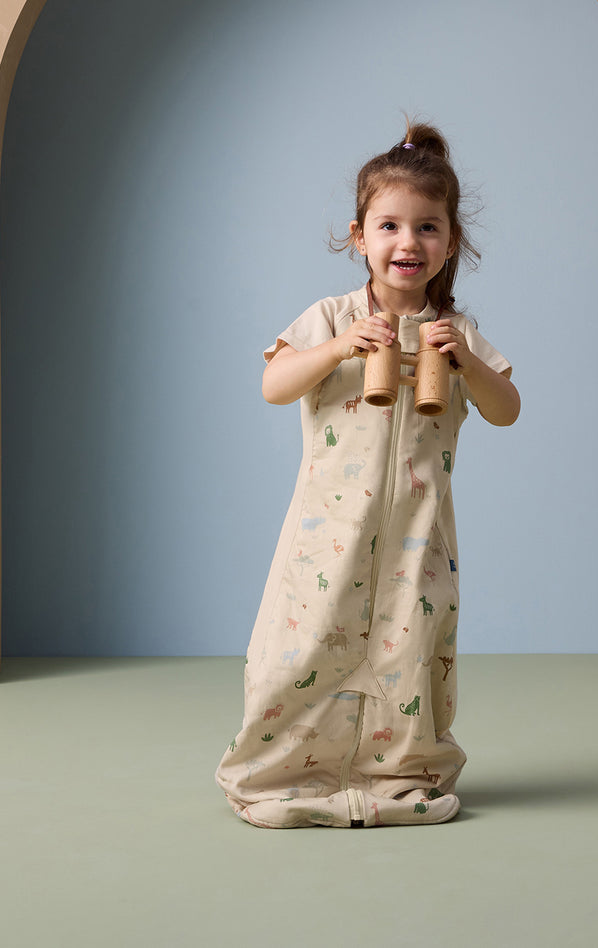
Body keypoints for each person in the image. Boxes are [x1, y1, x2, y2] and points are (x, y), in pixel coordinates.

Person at [215, 121, 520, 828]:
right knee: (304, 650)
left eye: (428, 228)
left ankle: (397, 775)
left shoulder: (456, 333)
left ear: (451, 241)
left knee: (408, 658)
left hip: (418, 538)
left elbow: (505, 410)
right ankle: (284, 774)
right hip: (328, 537)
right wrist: (339, 349)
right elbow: (274, 383)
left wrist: (465, 362)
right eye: (389, 226)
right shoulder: (331, 317)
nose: (407, 243)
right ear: (359, 236)